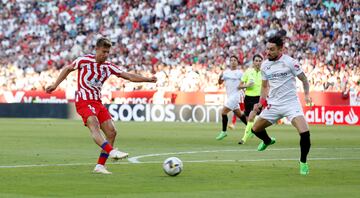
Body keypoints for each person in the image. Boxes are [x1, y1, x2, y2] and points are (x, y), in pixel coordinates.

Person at [45, 37, 157, 174]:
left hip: (97, 102)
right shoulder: (83, 60)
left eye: (108, 52)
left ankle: (100, 166)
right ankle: (112, 151)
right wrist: (55, 85)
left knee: (111, 132)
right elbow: (67, 69)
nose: (105, 55)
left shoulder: (108, 67)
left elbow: (128, 76)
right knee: (94, 123)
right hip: (83, 100)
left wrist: (148, 80)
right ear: (96, 49)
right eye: (103, 51)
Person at [251, 35, 312, 175]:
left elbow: (304, 79)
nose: (268, 52)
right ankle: (267, 141)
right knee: (255, 129)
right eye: (267, 49)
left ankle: (303, 162)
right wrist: (261, 103)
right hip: (274, 104)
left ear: (280, 49)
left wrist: (307, 95)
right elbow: (265, 87)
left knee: (305, 133)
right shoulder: (265, 65)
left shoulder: (290, 62)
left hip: (291, 103)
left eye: (272, 49)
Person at [216, 55, 247, 140]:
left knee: (223, 112)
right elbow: (219, 82)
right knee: (239, 114)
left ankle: (224, 132)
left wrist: (244, 90)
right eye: (231, 60)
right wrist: (220, 76)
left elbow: (244, 84)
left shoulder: (240, 73)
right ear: (229, 62)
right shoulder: (226, 72)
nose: (233, 62)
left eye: (234, 60)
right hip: (230, 96)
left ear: (237, 62)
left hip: (236, 96)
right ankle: (251, 129)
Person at [238, 54, 264, 144]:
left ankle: (244, 139)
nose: (258, 62)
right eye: (256, 60)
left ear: (262, 62)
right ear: (253, 62)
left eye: (260, 61)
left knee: (251, 117)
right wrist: (247, 85)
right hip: (248, 98)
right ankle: (253, 132)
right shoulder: (248, 72)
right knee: (249, 119)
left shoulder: (264, 72)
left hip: (258, 98)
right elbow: (239, 86)